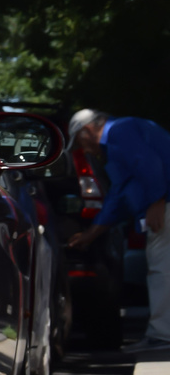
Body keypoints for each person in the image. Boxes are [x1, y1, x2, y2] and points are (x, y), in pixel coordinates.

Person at [67, 109, 170, 345]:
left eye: (80, 141)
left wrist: (157, 201)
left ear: (87, 130)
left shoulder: (119, 132)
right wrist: (93, 232)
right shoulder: (118, 140)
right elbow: (119, 193)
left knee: (162, 268)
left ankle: (163, 336)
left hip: (164, 205)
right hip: (163, 202)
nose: (84, 149)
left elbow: (149, 163)